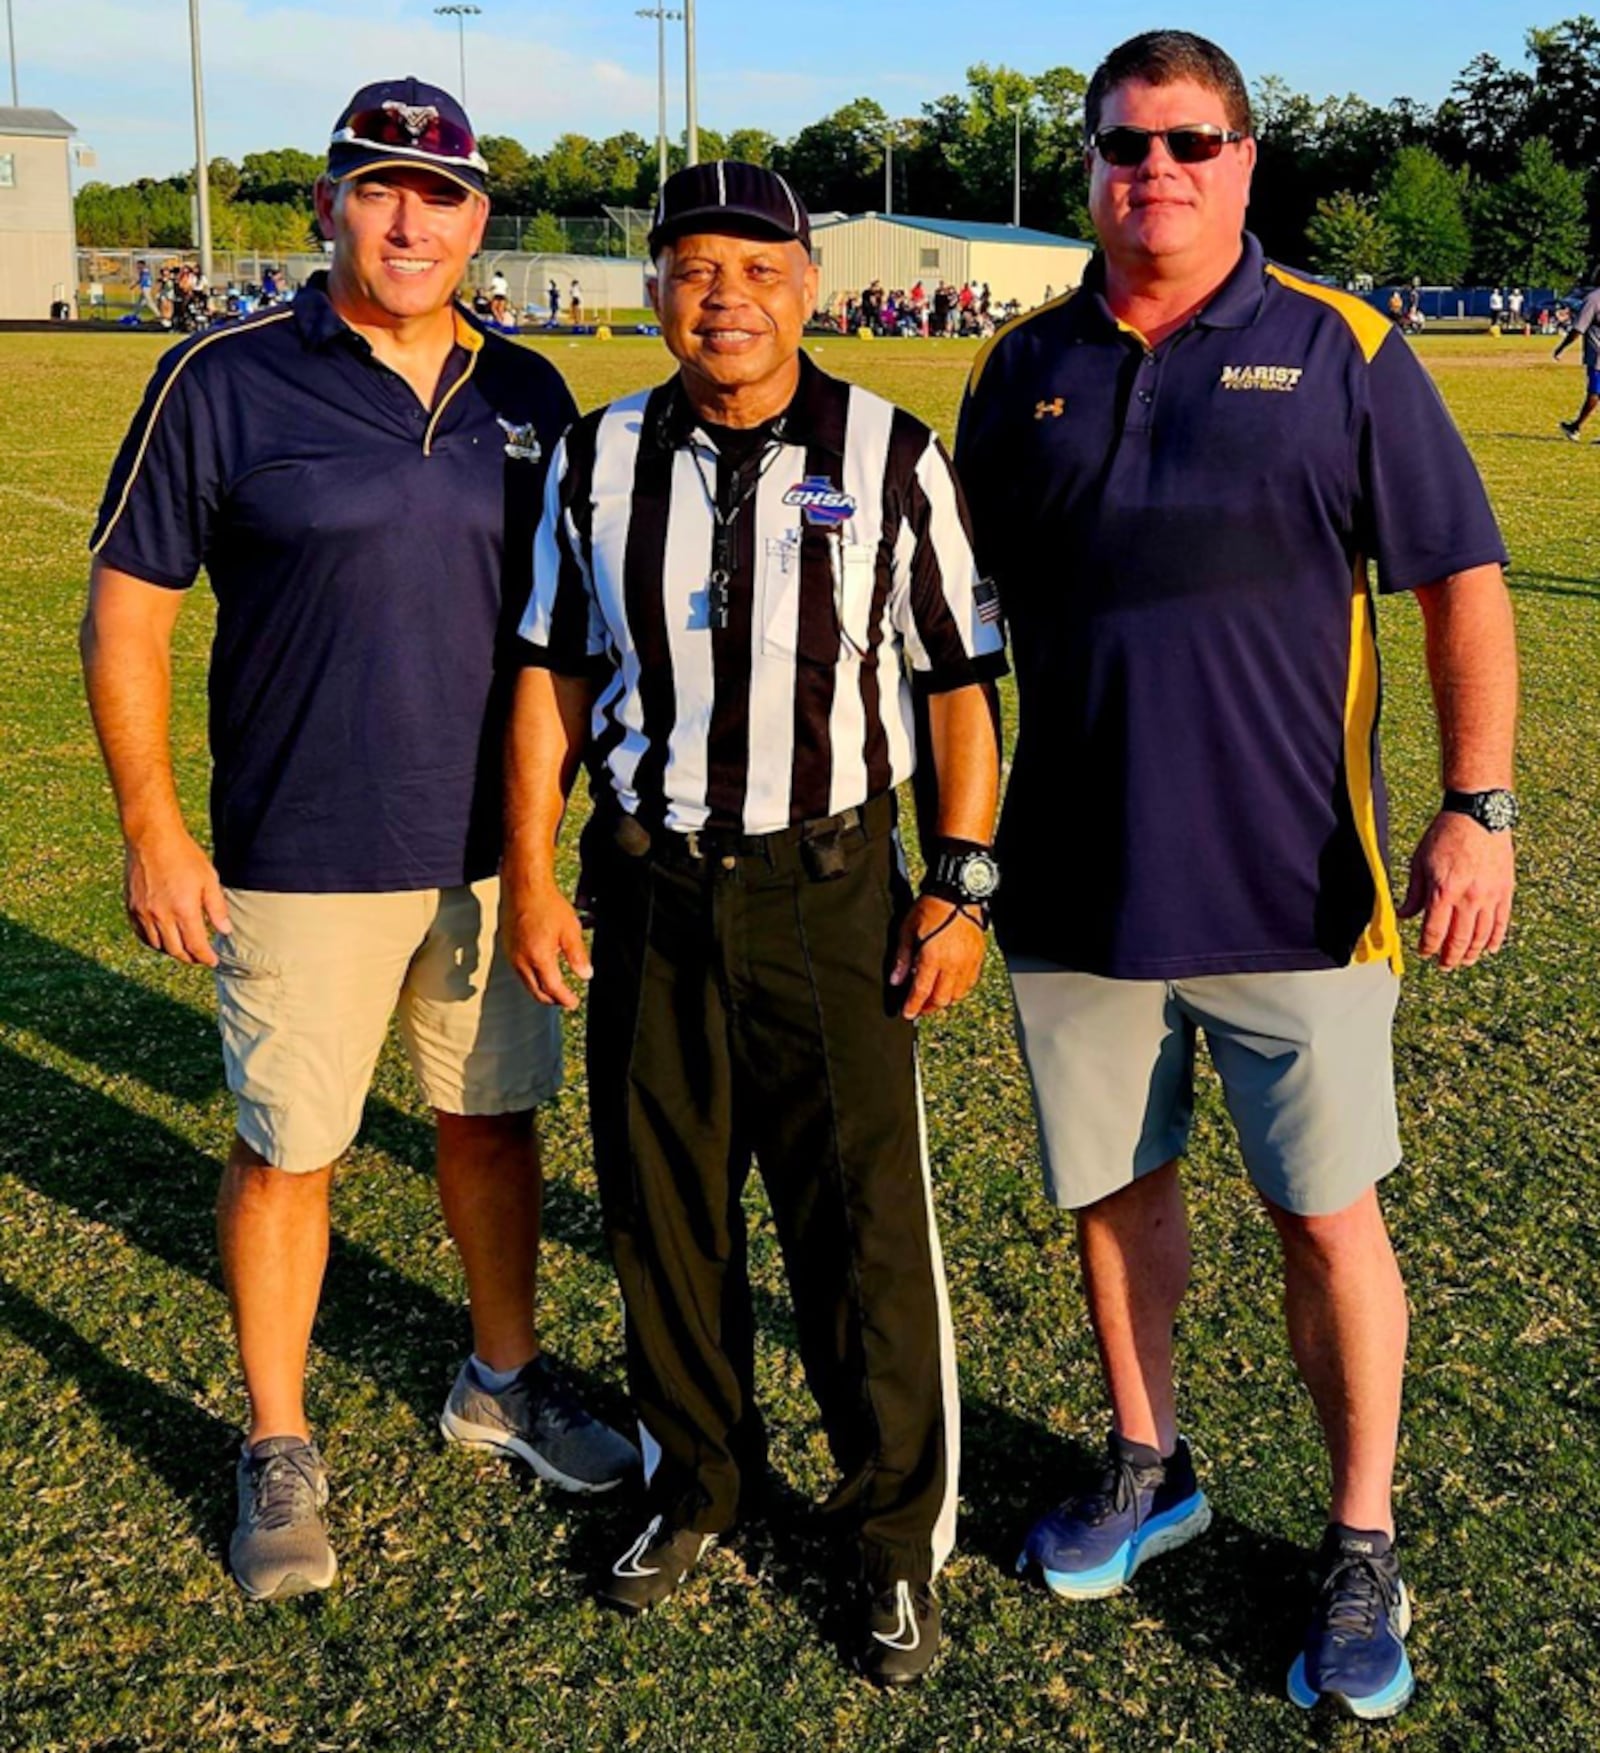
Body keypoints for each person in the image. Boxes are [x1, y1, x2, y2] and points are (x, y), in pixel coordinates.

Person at [957, 29, 1517, 1724]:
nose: (1158, 172)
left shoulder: (1344, 348)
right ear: (1092, 165)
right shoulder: (1020, 367)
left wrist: (1476, 803)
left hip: (1297, 886)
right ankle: (1150, 1453)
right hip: (1077, 881)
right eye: (1126, 144)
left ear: (1246, 160)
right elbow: (949, 625)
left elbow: (1463, 578)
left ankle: (1360, 1534)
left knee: (1327, 1215)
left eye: (1191, 143)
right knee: (1115, 1196)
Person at [81, 75, 636, 1607]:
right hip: (294, 850)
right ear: (329, 199)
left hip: (492, 854)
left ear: (478, 218)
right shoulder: (223, 375)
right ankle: (276, 1435)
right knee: (291, 1150)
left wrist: (561, 843)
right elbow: (128, 608)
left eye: (442, 193)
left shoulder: (529, 395)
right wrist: (152, 825)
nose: (411, 218)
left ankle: (501, 1379)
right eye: (380, 186)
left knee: (491, 1119)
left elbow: (578, 637)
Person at [503, 159, 1007, 1684]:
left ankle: (890, 1535)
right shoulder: (594, 459)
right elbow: (555, 663)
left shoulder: (890, 451)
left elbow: (957, 681)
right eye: (693, 269)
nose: (725, 297)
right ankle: (700, 1481)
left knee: (856, 1222)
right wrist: (531, 865)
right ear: (654, 289)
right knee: (664, 1208)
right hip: (652, 879)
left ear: (810, 282)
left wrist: (962, 876)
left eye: (757, 267)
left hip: (832, 884)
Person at [1555, 275, 1600, 442]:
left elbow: (1578, 328)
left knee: (1595, 391)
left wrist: (1561, 348)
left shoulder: (1594, 299)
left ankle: (1575, 427)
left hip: (1598, 355)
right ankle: (1575, 426)